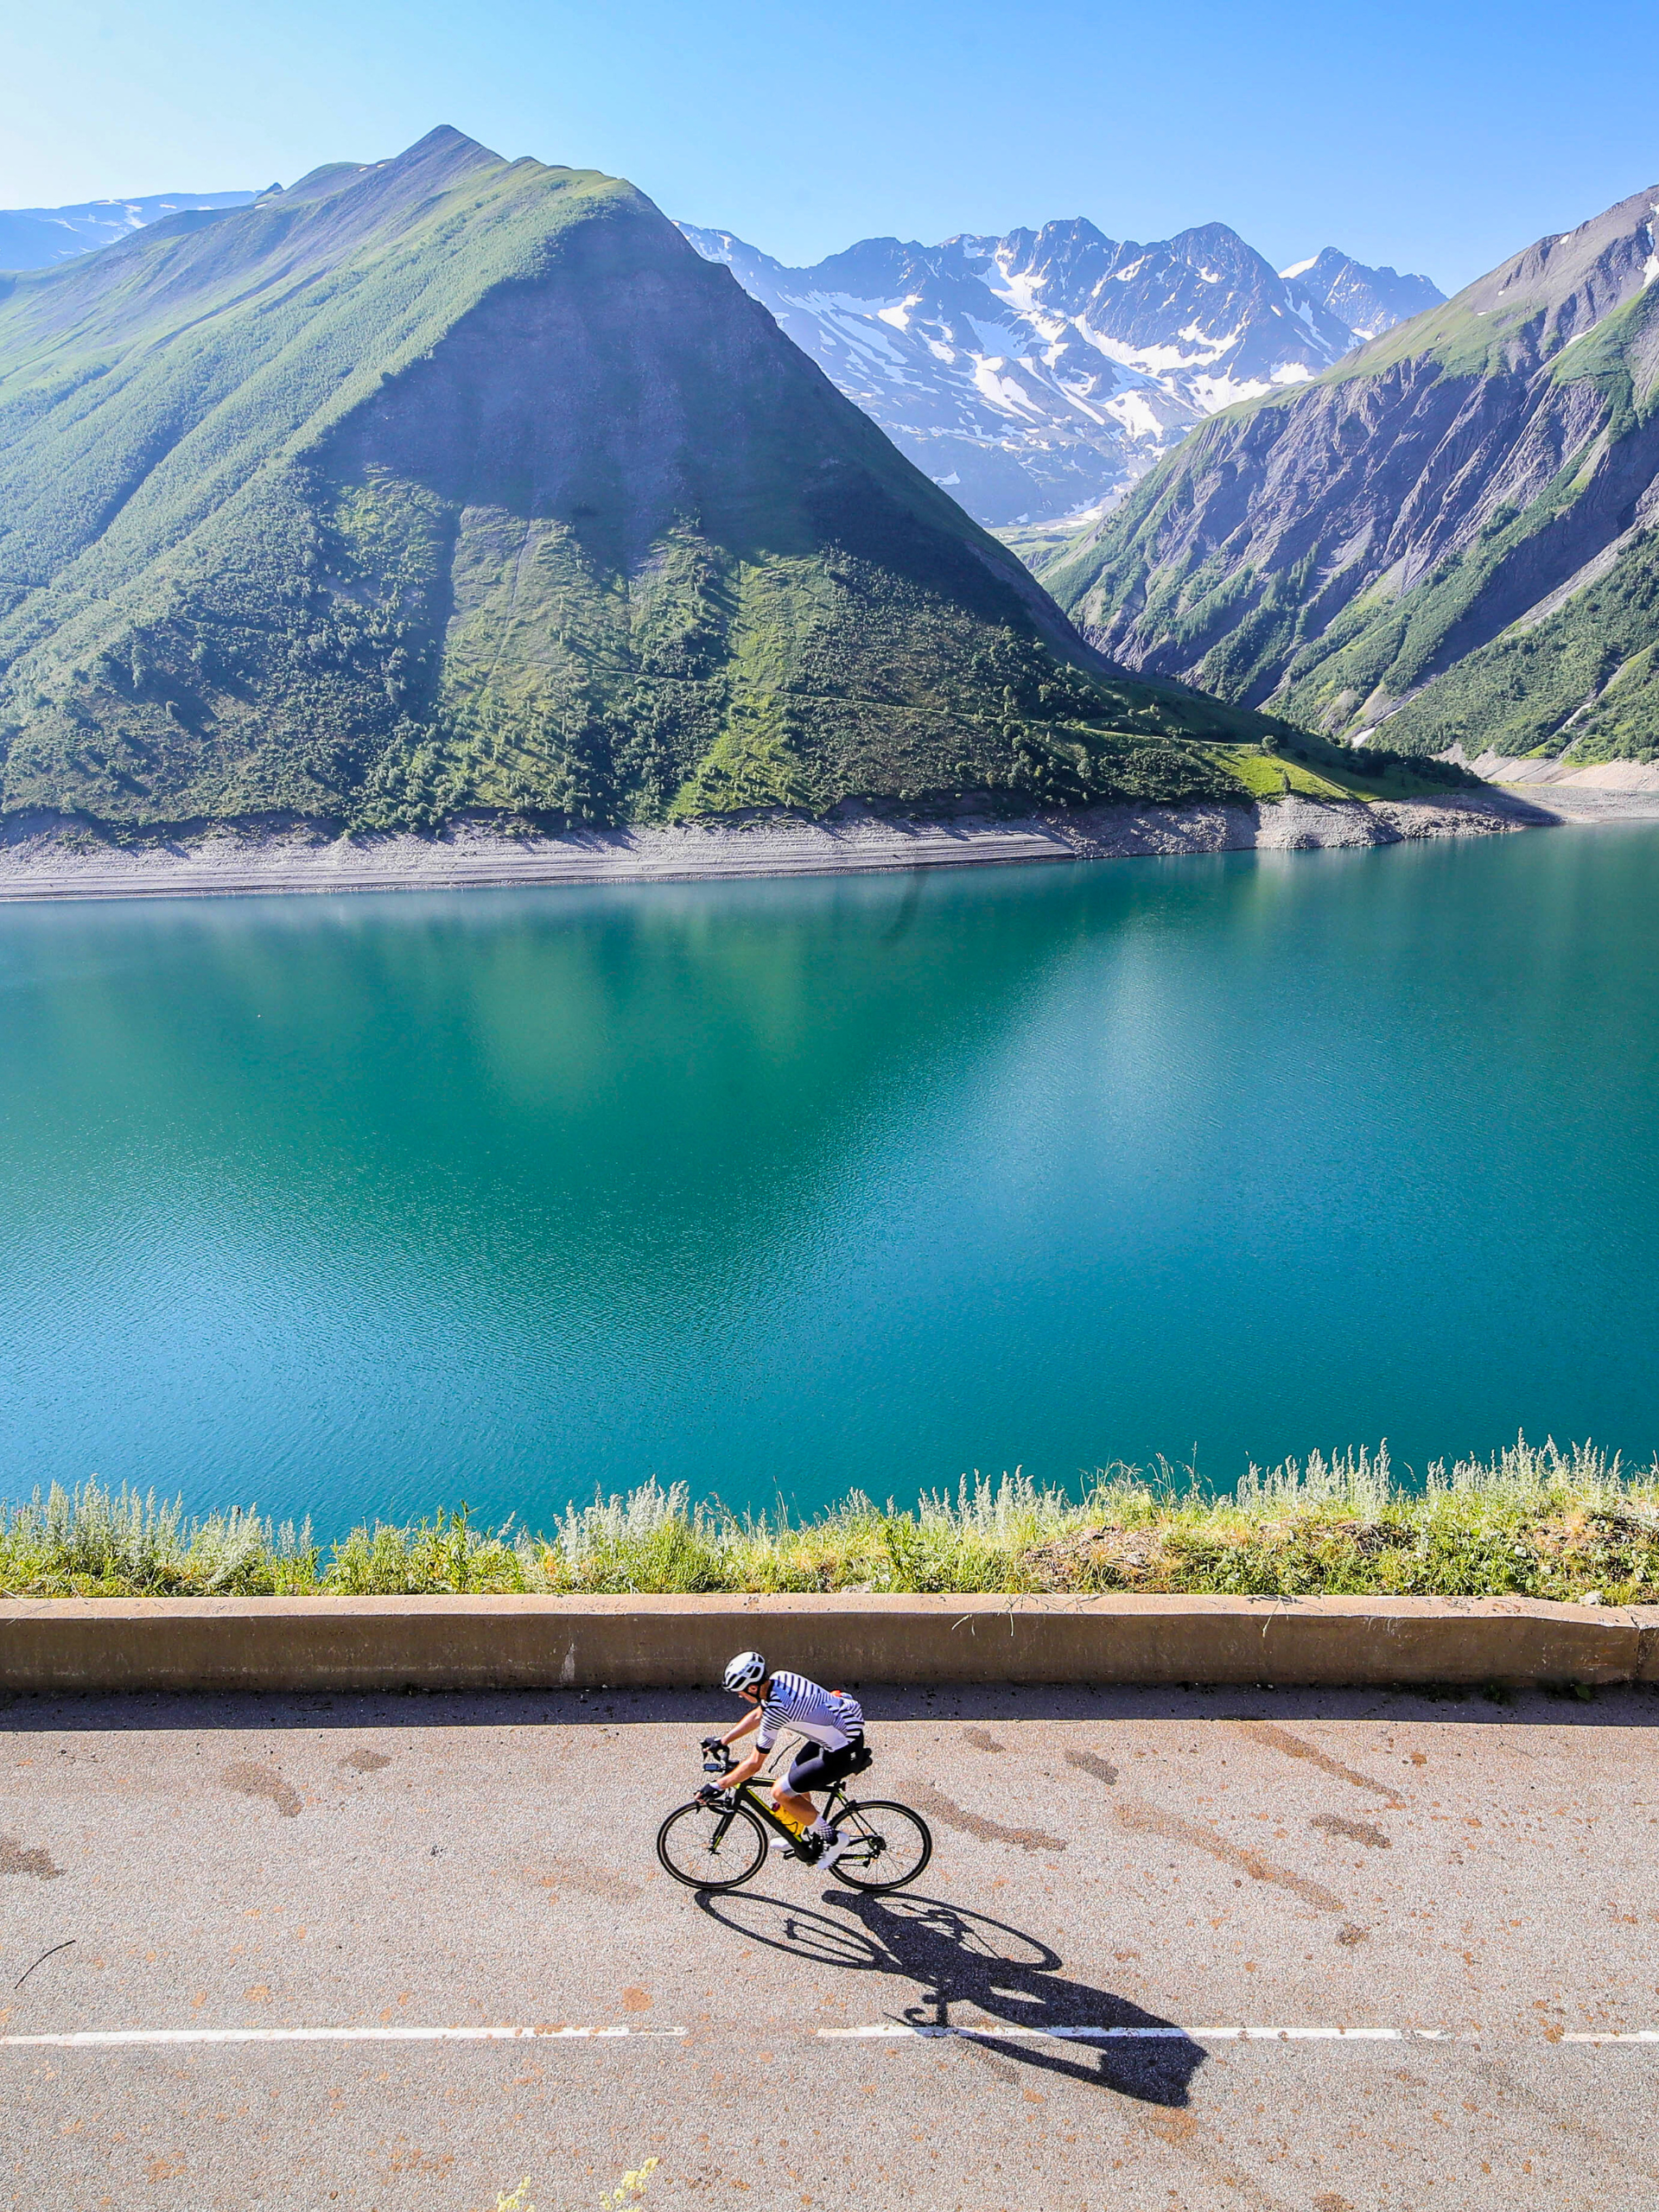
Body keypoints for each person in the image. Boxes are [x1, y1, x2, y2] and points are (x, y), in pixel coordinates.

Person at [702, 1651, 867, 1866]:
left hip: (843, 1750)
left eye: (741, 1692)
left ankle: (834, 1838)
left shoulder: (777, 1709)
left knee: (780, 1792)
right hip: (838, 1732)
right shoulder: (780, 1678)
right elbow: (757, 1715)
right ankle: (803, 1831)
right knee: (795, 1778)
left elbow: (755, 1764)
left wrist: (718, 1785)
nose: (740, 1696)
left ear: (752, 1687)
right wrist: (723, 1740)